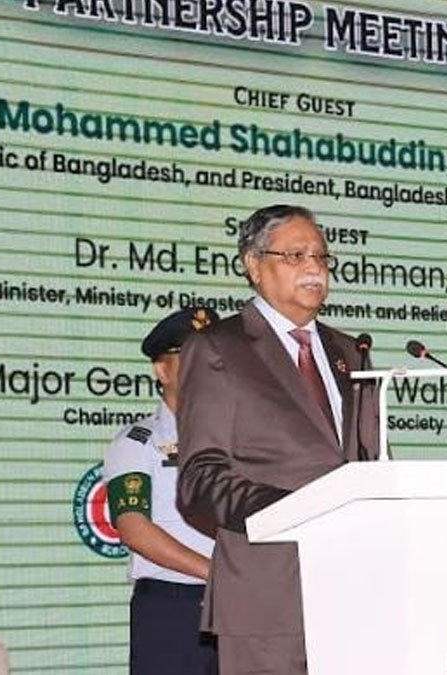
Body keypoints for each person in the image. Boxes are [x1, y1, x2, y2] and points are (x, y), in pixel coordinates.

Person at [176, 204, 380, 675]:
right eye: (295, 255)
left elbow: (371, 462)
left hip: (356, 590)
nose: (314, 267)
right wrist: (301, 510)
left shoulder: (351, 352)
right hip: (268, 597)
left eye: (321, 257)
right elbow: (200, 478)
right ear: (253, 264)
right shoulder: (218, 348)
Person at [103, 306, 220, 675]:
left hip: (237, 609)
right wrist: (216, 573)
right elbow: (134, 529)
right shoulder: (138, 442)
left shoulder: (239, 442)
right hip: (173, 610)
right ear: (162, 370)